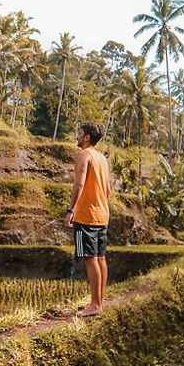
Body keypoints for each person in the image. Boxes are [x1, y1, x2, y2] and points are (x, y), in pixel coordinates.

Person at [64, 121, 111, 317]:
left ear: (86, 137)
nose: (77, 135)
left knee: (90, 259)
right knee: (100, 258)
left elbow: (79, 184)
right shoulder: (101, 158)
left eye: (79, 132)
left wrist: (71, 210)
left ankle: (94, 305)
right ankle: (99, 301)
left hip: (87, 216)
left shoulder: (84, 155)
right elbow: (108, 190)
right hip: (102, 214)